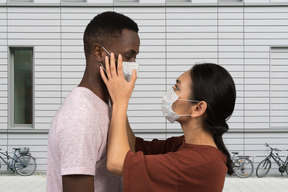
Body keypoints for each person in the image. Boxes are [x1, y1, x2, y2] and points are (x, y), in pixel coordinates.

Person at [100, 54, 236, 192]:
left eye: (177, 88)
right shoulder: (183, 144)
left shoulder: (200, 162)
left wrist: (120, 102)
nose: (170, 93)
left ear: (198, 108)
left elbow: (117, 163)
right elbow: (133, 146)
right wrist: (116, 97)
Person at [46, 11, 140, 192]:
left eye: (136, 57)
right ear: (98, 52)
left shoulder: (106, 107)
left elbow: (130, 158)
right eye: (128, 56)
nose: (133, 64)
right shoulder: (81, 115)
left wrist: (119, 101)